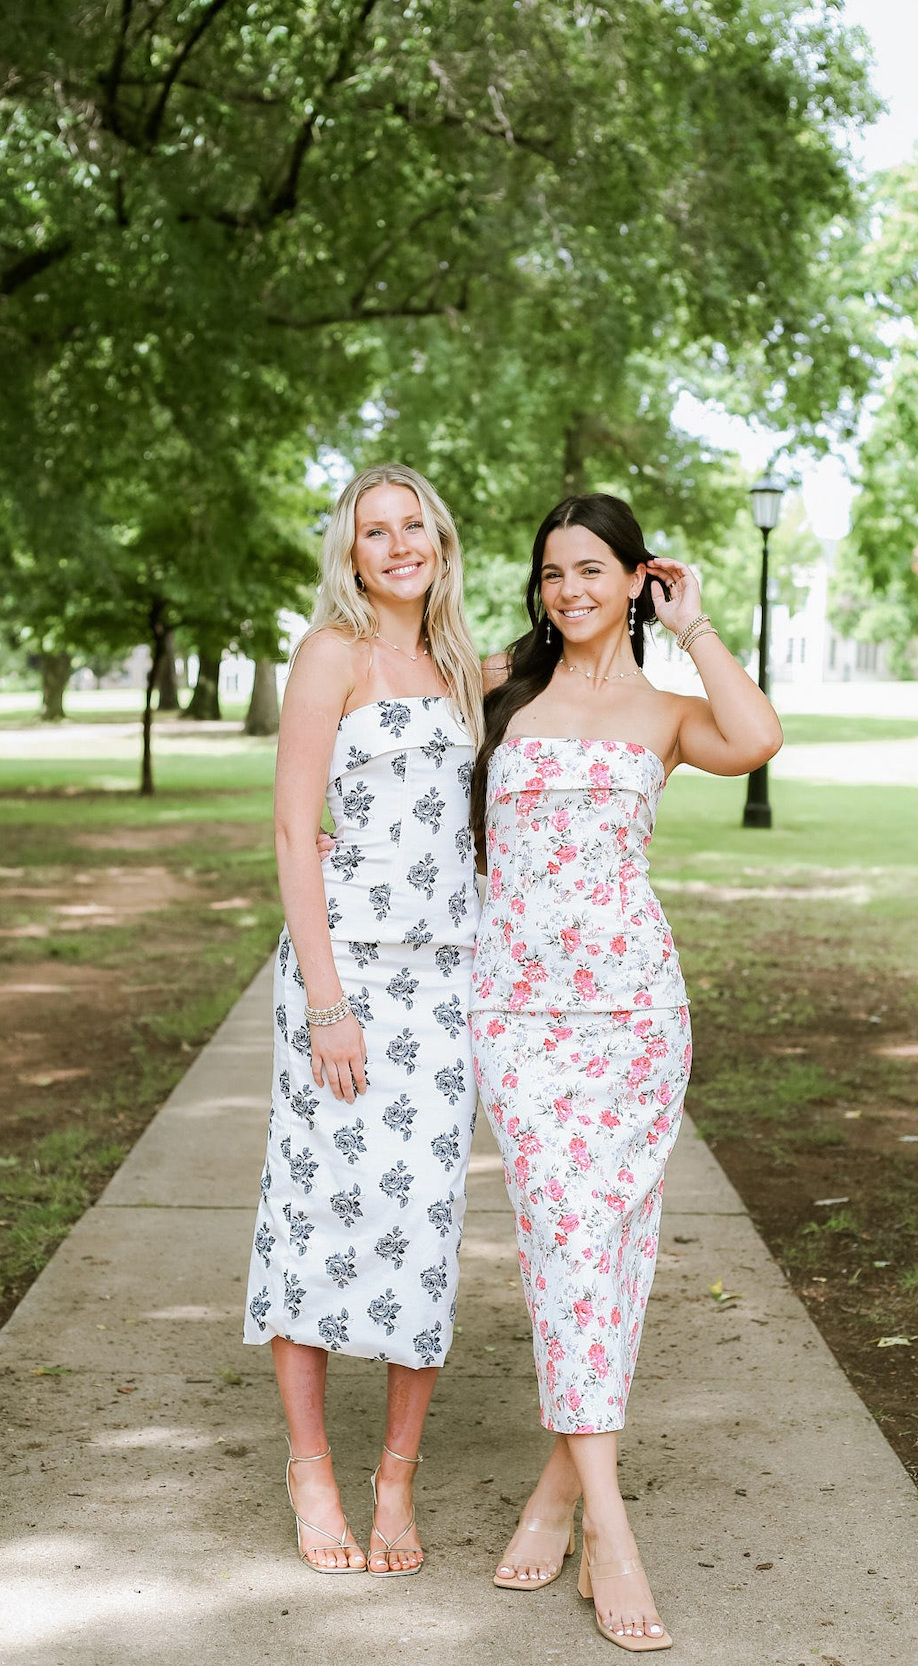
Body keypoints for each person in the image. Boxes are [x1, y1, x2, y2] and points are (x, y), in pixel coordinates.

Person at [468, 493, 782, 1650]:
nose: (569, 590)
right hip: (519, 1016)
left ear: (633, 576)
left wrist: (694, 621)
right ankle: (614, 1524)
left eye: (592, 569)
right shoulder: (502, 691)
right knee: (561, 1234)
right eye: (552, 572)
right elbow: (407, 680)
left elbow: (756, 741)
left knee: (615, 1245)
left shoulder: (665, 709)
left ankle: (564, 1489)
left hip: (637, 1015)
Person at [243, 464, 483, 1575]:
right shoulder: (327, 655)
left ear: (439, 537)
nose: (397, 545)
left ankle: (396, 1475)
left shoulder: (467, 668)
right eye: (373, 530)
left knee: (424, 1224)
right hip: (342, 980)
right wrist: (328, 1003)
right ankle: (312, 1470)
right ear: (350, 550)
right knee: (316, 1210)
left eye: (413, 525)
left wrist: (668, 606)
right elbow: (298, 834)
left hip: (445, 984)